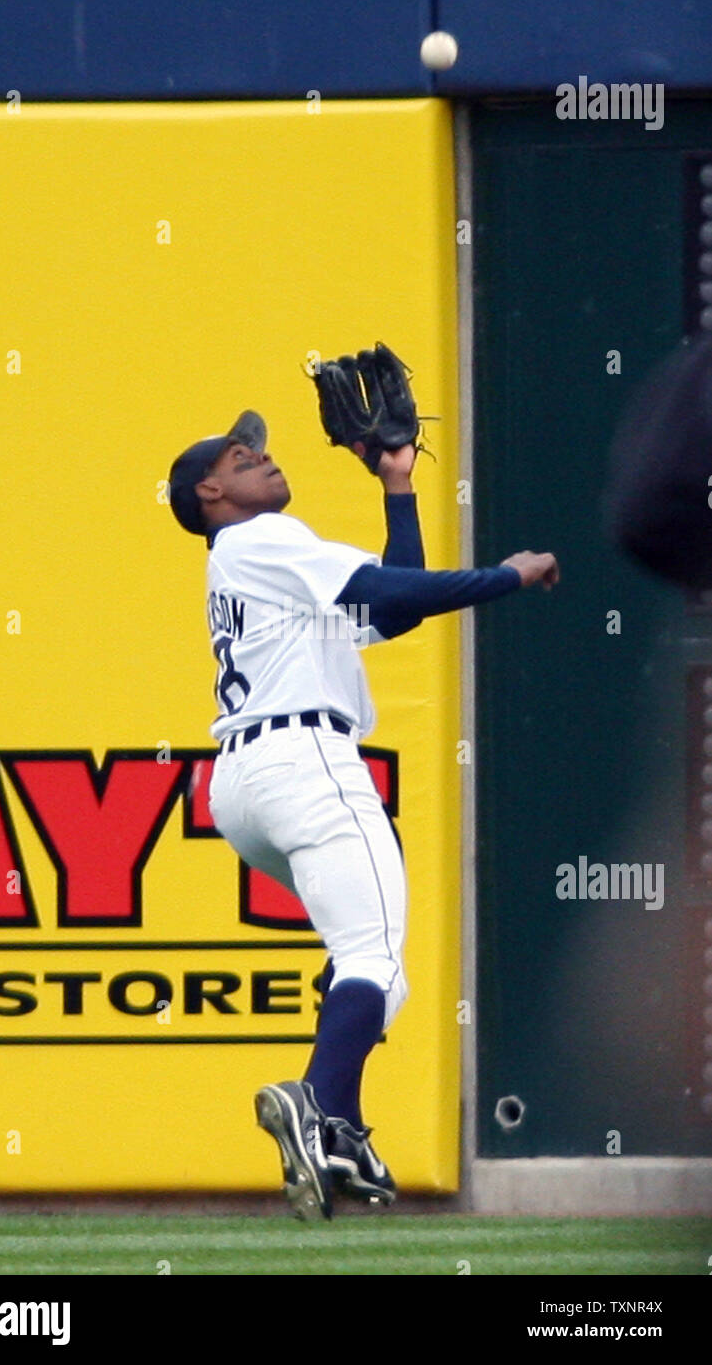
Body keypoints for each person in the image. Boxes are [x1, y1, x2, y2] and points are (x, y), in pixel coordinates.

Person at [168, 409, 558, 1220]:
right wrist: (505, 575)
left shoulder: (260, 564)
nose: (265, 460)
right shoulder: (258, 541)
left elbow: (391, 613)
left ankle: (332, 1121)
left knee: (374, 965)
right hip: (303, 759)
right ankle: (320, 1111)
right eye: (245, 456)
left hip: (245, 784)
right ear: (212, 490)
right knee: (373, 959)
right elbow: (386, 587)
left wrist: (397, 485)